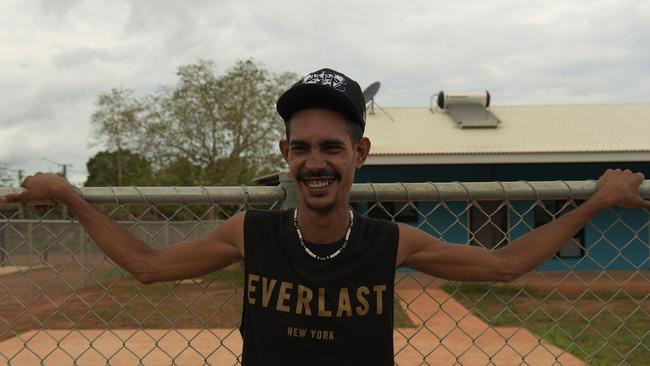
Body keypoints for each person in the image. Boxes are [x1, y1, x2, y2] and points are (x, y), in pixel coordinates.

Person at [1, 68, 649, 366]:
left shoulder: (389, 242)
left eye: (331, 148)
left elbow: (503, 264)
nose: (316, 162)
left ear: (358, 154)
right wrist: (71, 196)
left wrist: (593, 202)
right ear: (285, 154)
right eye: (303, 147)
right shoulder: (250, 236)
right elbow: (147, 266)